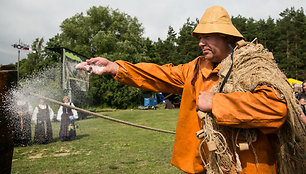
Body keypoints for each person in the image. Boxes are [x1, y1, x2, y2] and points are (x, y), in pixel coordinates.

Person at [76, 6, 305, 174]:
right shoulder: (196, 68)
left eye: (206, 36)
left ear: (226, 37)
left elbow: (275, 109)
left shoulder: (253, 66)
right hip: (206, 166)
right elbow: (159, 74)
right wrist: (116, 68)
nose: (200, 42)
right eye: (199, 37)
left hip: (249, 167)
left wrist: (216, 104)